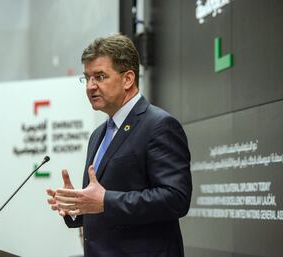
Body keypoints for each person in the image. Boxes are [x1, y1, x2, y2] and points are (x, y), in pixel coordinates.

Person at [46, 34, 192, 257]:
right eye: (87, 78)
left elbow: (176, 198)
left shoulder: (159, 125)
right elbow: (101, 206)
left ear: (128, 79)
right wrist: (78, 207)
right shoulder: (98, 135)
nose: (90, 87)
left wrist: (105, 201)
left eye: (100, 76)